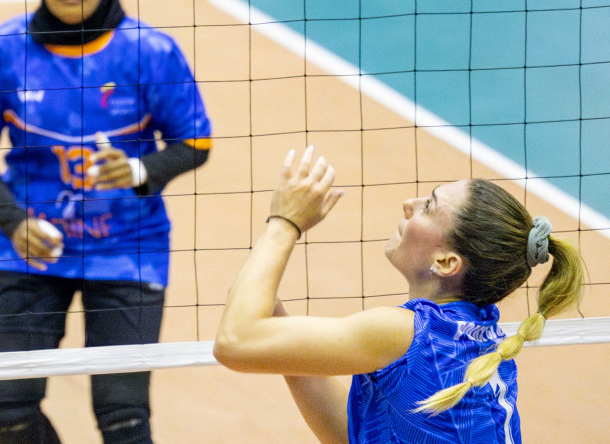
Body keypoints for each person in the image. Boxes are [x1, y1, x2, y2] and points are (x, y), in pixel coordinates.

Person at [0, 0, 212, 444]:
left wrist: (141, 170)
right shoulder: (4, 50)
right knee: (10, 410)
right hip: (29, 248)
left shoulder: (149, 51)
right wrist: (14, 222)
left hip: (126, 247)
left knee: (123, 417)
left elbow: (194, 144)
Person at [214, 147, 587, 444]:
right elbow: (359, 436)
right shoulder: (473, 334)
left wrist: (285, 222)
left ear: (445, 262)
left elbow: (234, 342)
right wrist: (284, 342)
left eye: (429, 206)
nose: (410, 202)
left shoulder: (403, 334)